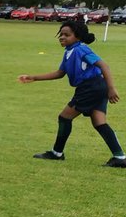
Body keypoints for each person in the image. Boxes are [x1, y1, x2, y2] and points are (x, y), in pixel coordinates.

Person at [18, 18, 126, 166]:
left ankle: (57, 153)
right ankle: (120, 158)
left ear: (77, 37)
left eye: (67, 35)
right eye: (60, 34)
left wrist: (112, 89)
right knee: (99, 123)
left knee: (64, 118)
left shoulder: (81, 49)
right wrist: (34, 77)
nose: (62, 37)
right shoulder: (69, 52)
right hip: (95, 87)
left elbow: (104, 66)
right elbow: (60, 73)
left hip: (91, 87)